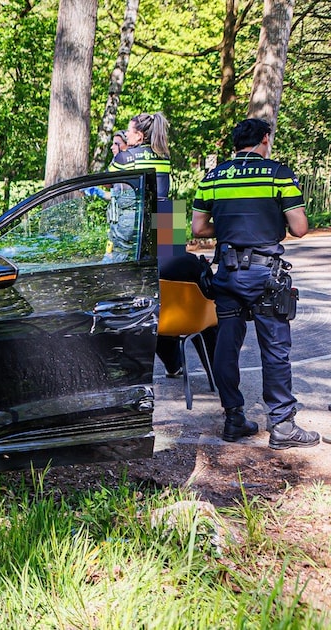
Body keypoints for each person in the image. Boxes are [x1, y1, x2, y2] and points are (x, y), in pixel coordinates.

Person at [192, 117, 319, 449]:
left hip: (227, 274)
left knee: (225, 346)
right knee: (275, 349)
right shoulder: (279, 174)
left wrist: (232, 230)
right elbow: (301, 228)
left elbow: (198, 228)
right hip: (265, 276)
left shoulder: (213, 176)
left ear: (235, 144)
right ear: (265, 138)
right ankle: (282, 427)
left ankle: (234, 419)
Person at [105, 113, 172, 262]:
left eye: (129, 131)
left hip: (135, 217)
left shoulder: (125, 157)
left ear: (139, 136)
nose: (126, 134)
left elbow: (107, 182)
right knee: (166, 269)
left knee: (123, 266)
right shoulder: (165, 156)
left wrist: (116, 156)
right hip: (166, 215)